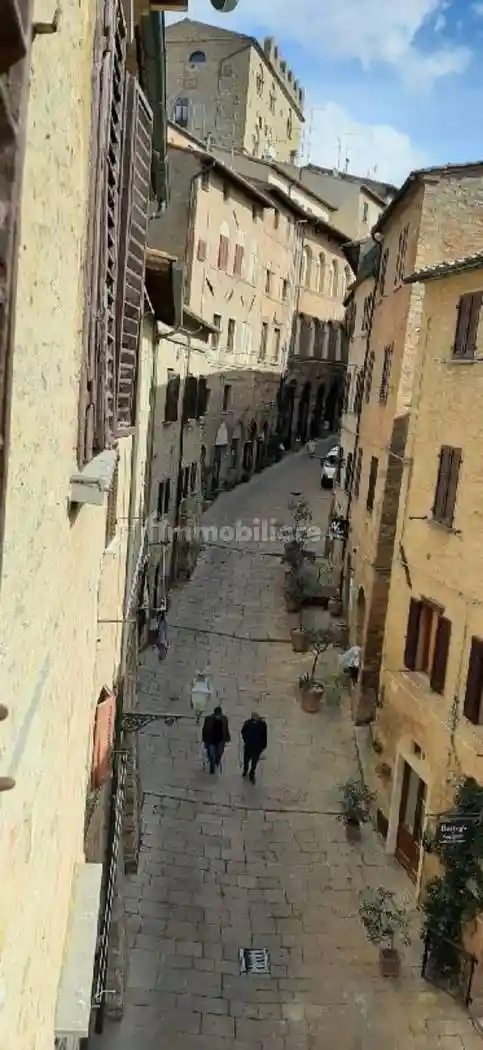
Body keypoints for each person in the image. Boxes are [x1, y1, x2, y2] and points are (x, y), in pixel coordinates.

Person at [202, 705, 231, 774]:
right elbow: (205, 729)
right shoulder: (208, 718)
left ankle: (217, 762)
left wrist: (227, 737)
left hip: (220, 740)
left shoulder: (224, 719)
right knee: (211, 754)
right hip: (210, 740)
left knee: (219, 753)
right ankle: (212, 767)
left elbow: (226, 728)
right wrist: (204, 740)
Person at [241, 712, 267, 784]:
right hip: (249, 745)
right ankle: (245, 770)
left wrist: (263, 745)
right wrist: (245, 739)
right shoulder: (248, 723)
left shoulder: (262, 725)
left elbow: (264, 736)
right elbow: (243, 731)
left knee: (254, 761)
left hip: (257, 747)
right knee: (246, 760)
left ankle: (252, 773)